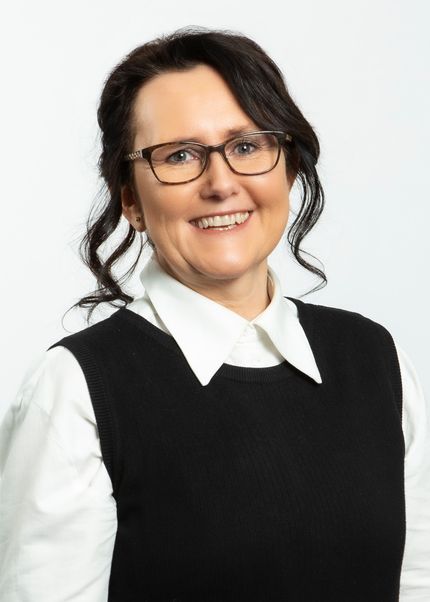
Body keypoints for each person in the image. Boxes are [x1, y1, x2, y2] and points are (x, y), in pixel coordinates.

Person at [0, 26, 429, 602]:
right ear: (130, 200)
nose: (221, 183)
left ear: (288, 168)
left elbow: (416, 582)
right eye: (179, 155)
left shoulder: (374, 359)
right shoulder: (76, 388)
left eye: (247, 146)